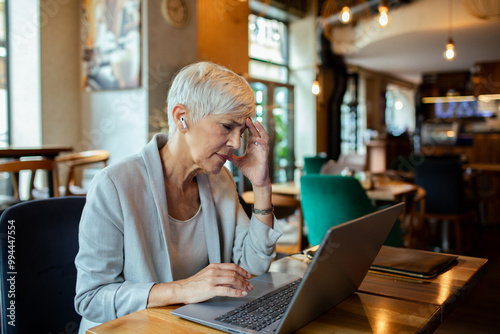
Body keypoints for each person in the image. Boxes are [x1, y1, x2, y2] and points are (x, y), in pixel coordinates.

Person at [74, 61, 282, 333]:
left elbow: (253, 265)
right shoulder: (114, 185)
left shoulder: (220, 179)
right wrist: (183, 289)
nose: (235, 143)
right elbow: (91, 298)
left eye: (241, 132)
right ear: (181, 117)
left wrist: (262, 186)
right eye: (226, 127)